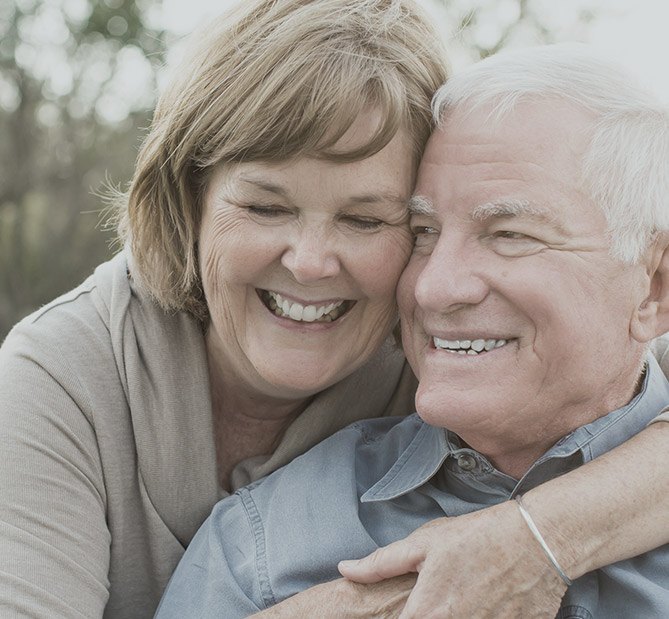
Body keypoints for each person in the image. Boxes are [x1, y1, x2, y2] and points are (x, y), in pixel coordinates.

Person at [0, 0, 668, 615]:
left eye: (366, 218)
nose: (312, 261)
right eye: (265, 207)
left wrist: (531, 541)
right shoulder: (61, 378)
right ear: (189, 201)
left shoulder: (444, 340)